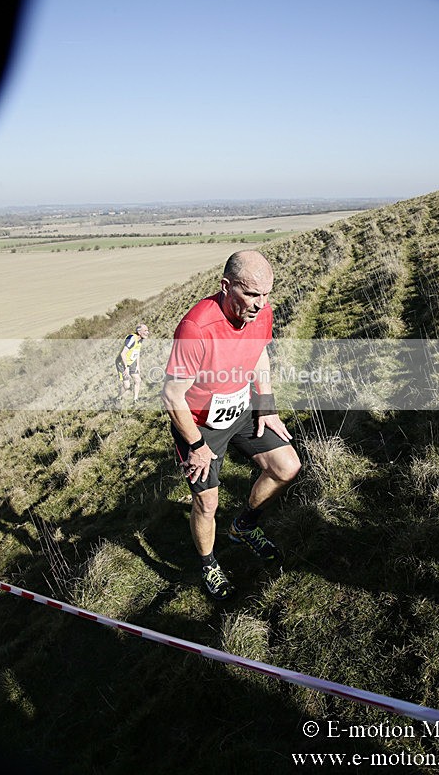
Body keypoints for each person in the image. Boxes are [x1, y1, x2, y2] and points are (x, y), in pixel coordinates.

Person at [161, 251, 301, 600]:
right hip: (199, 424)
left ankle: (243, 527)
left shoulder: (261, 312)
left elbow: (259, 355)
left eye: (267, 294)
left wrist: (266, 404)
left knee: (287, 467)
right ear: (226, 286)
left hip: (240, 407)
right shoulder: (196, 329)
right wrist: (196, 446)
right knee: (207, 503)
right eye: (252, 294)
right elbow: (172, 396)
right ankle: (209, 564)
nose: (261, 304)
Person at [115, 323, 149, 405]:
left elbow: (137, 352)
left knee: (138, 380)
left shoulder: (140, 339)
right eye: (145, 331)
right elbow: (123, 354)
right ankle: (118, 398)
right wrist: (126, 367)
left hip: (132, 361)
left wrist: (137, 365)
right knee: (127, 386)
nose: (148, 332)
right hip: (122, 363)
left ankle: (135, 400)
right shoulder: (131, 338)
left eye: (148, 330)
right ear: (139, 331)